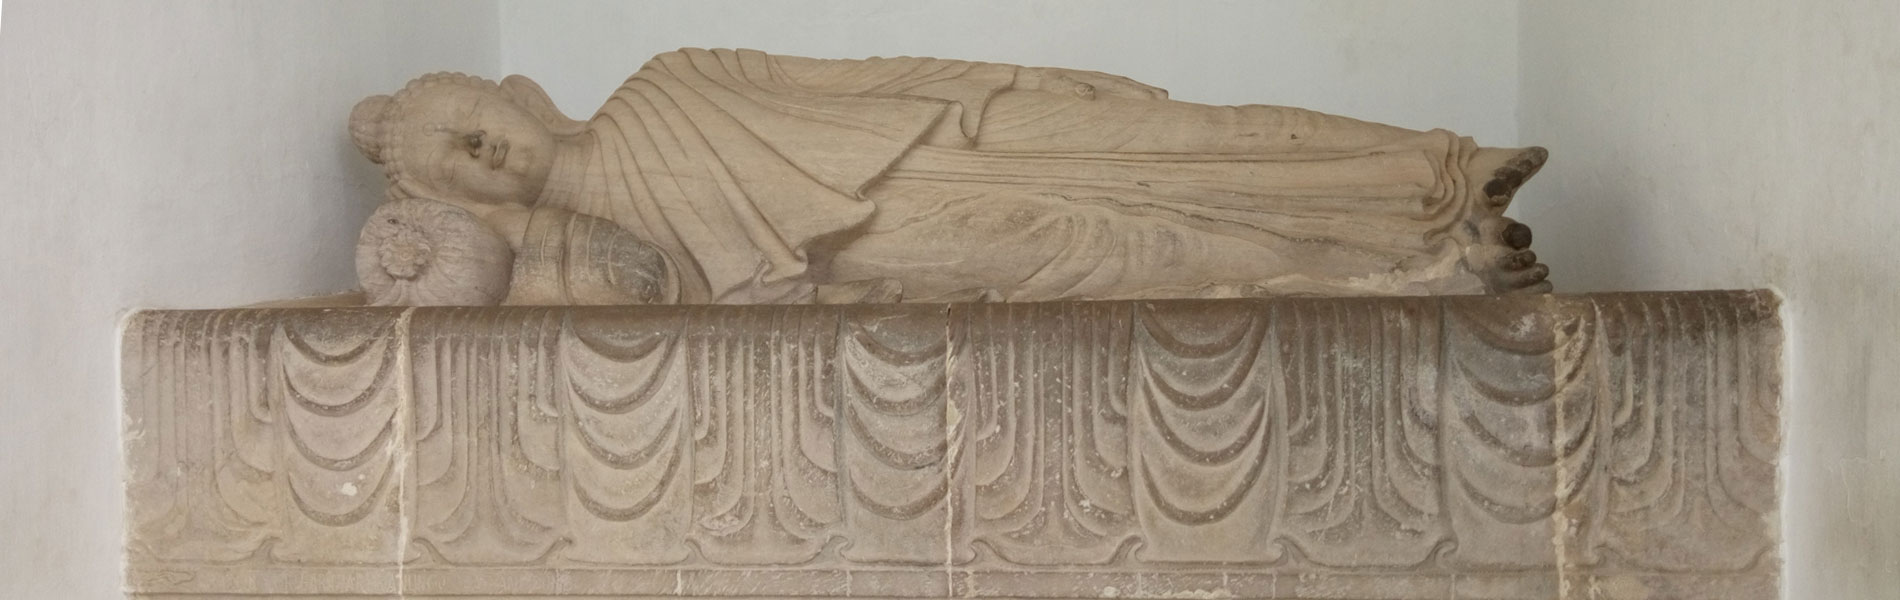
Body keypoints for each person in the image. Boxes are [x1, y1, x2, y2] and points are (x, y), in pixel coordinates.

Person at [349, 48, 1549, 305]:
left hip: (938, 135)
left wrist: (1007, 77)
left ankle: (1440, 167)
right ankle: (1423, 270)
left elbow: (840, 76)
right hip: (893, 246)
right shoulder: (603, 255)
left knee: (1188, 138)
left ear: (514, 98)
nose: (484, 149)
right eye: (460, 162)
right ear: (466, 197)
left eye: (473, 124)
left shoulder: (669, 80)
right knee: (1156, 257)